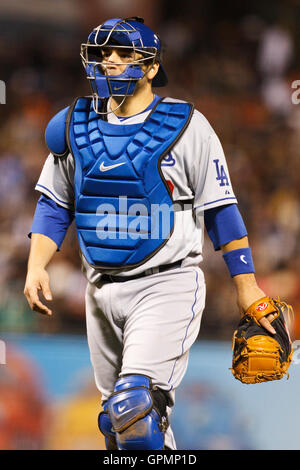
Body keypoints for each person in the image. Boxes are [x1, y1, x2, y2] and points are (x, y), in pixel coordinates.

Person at [24, 17, 277, 451]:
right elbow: (53, 203)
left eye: (125, 55)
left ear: (151, 67)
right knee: (118, 428)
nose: (112, 63)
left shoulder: (186, 125)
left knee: (134, 410)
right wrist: (36, 266)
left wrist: (247, 285)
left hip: (167, 284)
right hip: (99, 288)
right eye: (104, 55)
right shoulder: (75, 125)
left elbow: (221, 210)